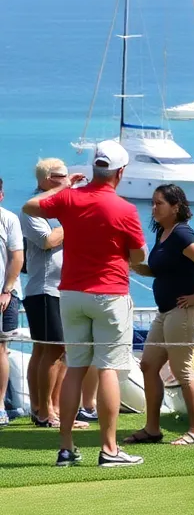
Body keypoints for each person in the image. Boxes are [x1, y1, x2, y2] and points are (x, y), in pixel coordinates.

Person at [22, 140, 146, 467]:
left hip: (71, 294)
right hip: (110, 294)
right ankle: (109, 449)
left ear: (94, 168)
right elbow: (138, 256)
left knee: (75, 367)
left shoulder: (69, 198)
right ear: (120, 172)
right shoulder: (125, 209)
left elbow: (30, 206)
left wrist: (62, 188)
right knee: (108, 369)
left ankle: (66, 448)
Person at [126, 184, 194, 446]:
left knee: (182, 370)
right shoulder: (163, 233)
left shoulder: (182, 233)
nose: (153, 208)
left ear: (175, 207)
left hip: (183, 311)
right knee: (148, 364)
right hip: (165, 312)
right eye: (153, 203)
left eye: (159, 203)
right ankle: (152, 429)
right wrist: (136, 266)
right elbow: (162, 269)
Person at [20, 160, 85, 429]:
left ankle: (48, 409)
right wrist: (73, 223)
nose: (68, 179)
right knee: (53, 348)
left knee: (51, 349)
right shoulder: (34, 209)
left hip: (61, 288)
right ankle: (46, 411)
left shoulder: (59, 207)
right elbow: (48, 241)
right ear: (48, 178)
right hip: (44, 288)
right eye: (62, 176)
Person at [0, 177, 25, 427]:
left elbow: (17, 257)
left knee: (0, 349)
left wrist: (7, 290)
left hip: (5, 294)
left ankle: (1, 407)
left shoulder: (8, 219)